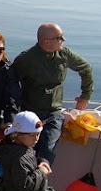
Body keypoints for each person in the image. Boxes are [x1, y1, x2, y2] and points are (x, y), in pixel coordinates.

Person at [12, 23, 94, 165]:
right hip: (31, 112)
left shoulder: (64, 54)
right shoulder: (26, 59)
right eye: (59, 38)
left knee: (47, 149)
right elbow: (10, 84)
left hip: (53, 113)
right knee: (25, 150)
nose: (64, 40)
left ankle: (41, 174)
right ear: (46, 42)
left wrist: (85, 95)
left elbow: (86, 68)